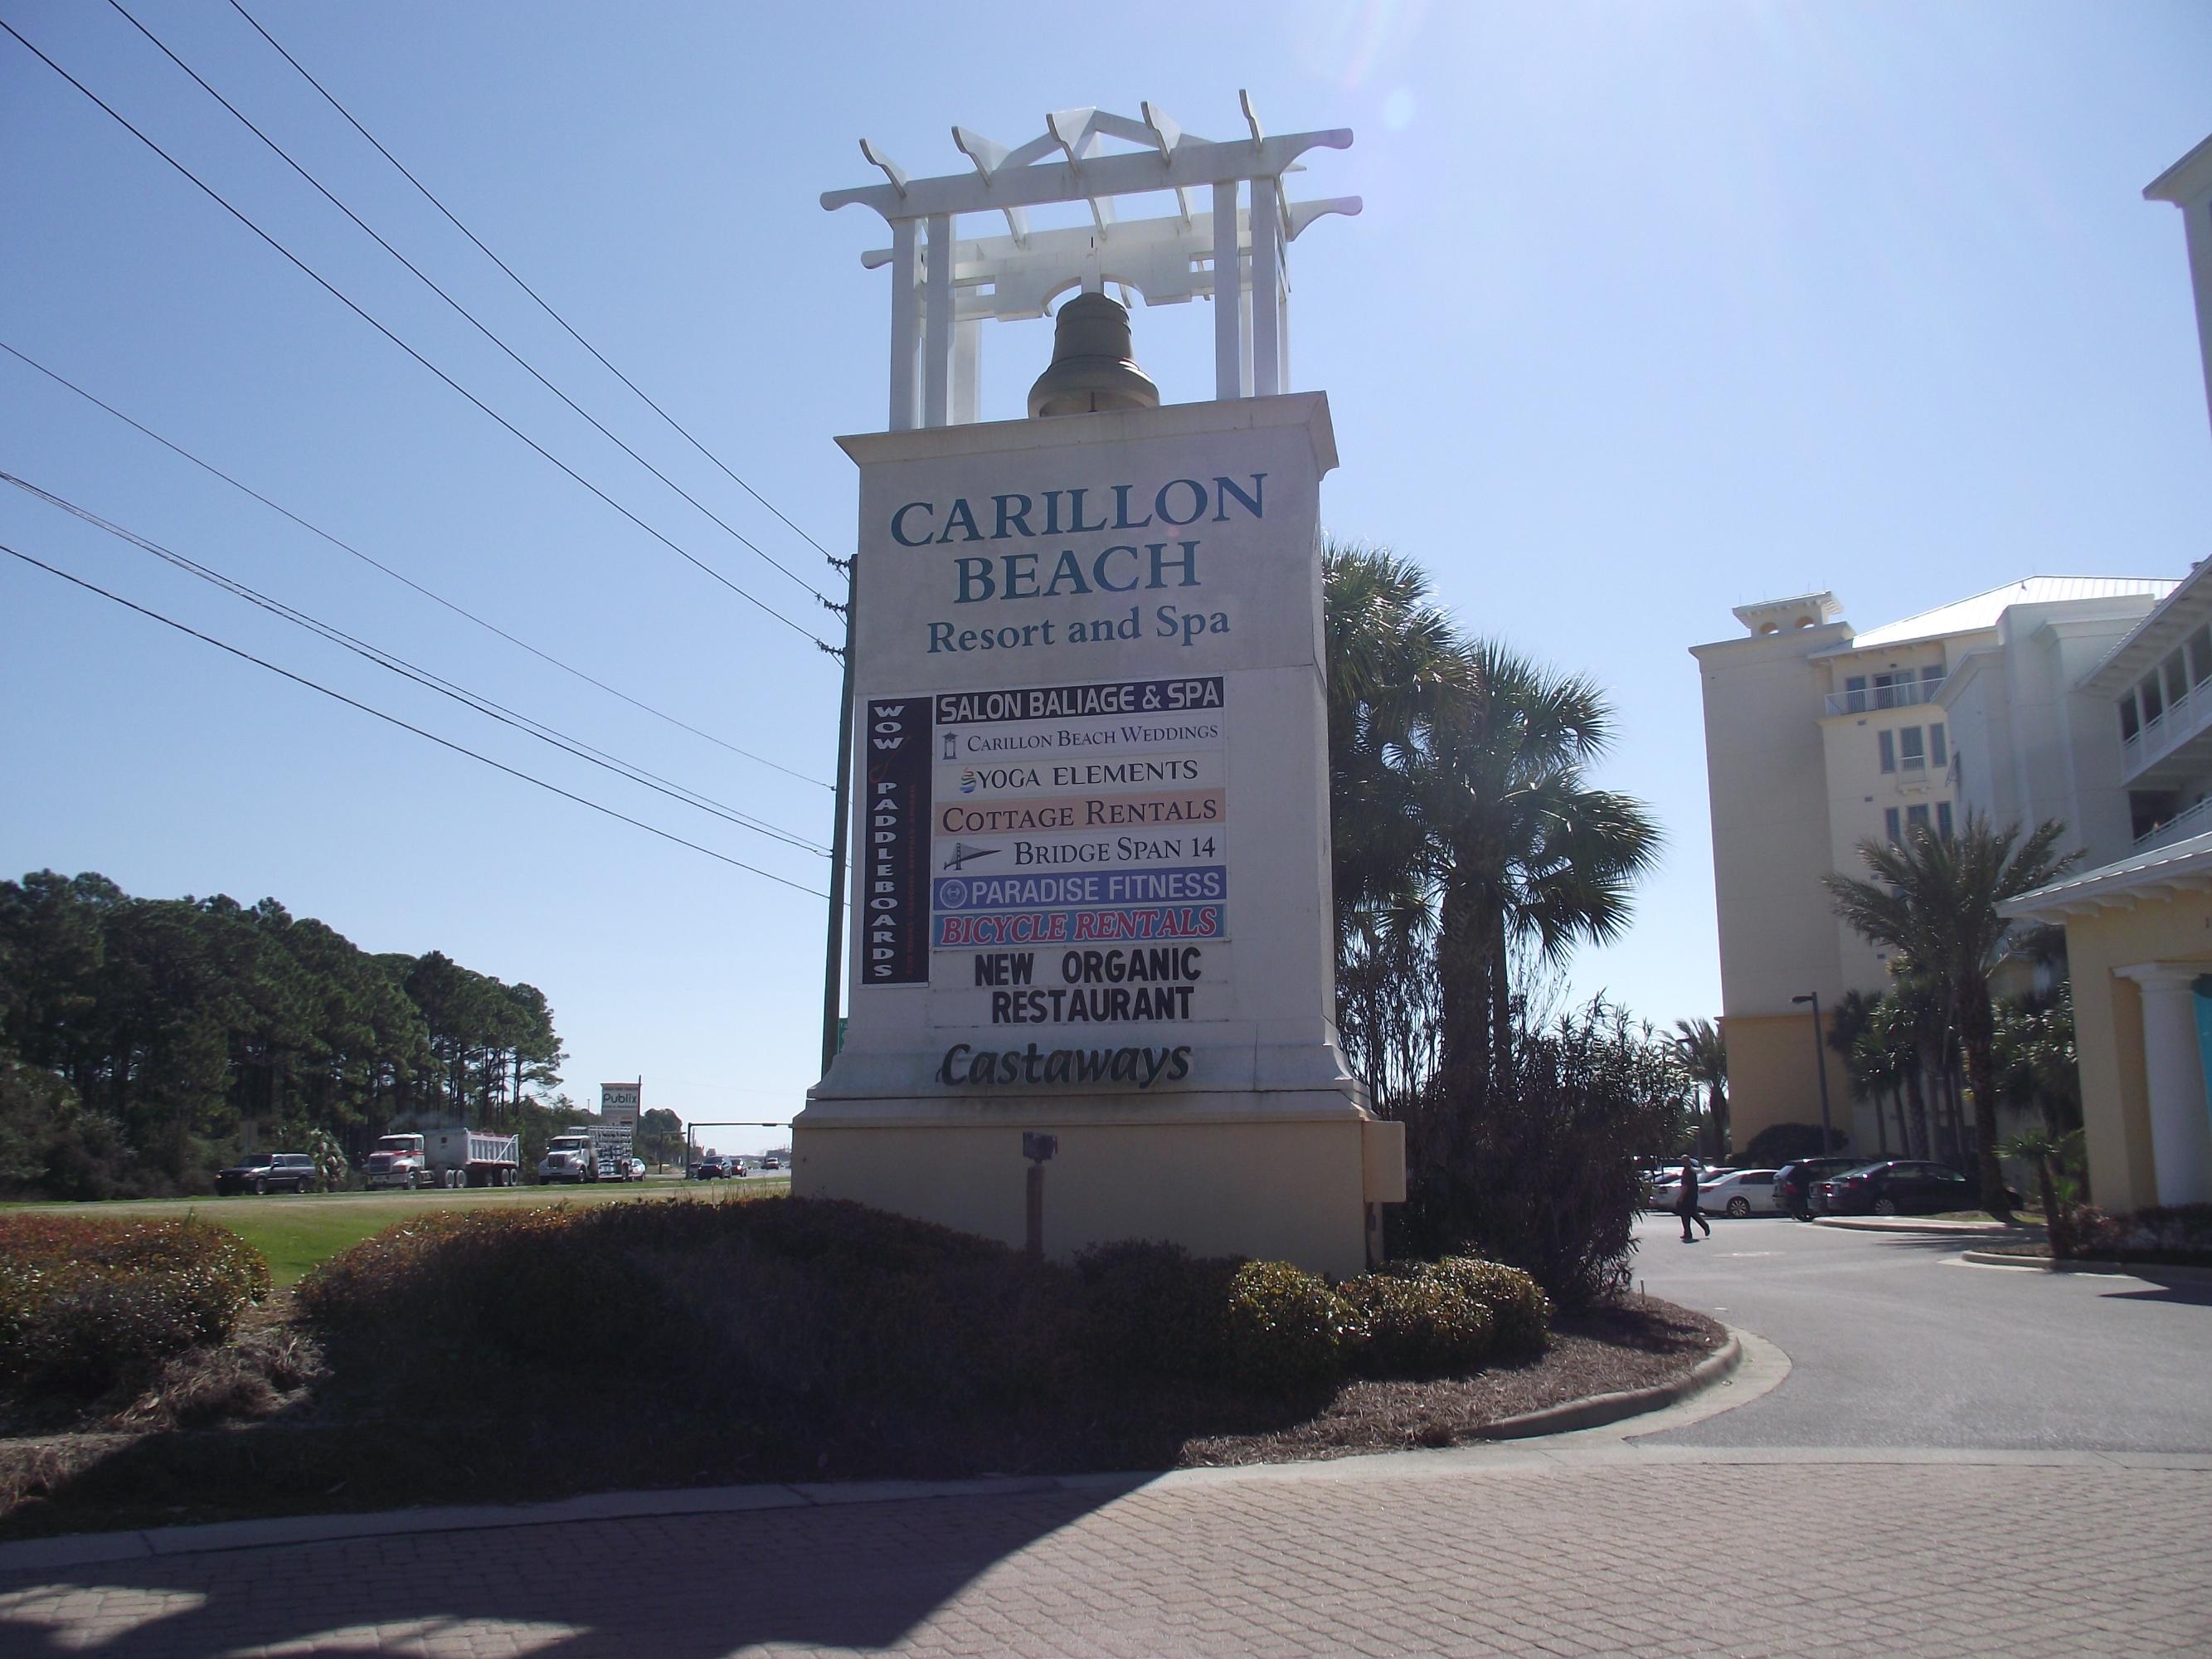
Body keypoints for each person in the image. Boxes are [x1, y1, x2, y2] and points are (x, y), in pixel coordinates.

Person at [1676, 1158, 1711, 1243]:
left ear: (1688, 1161)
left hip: (1688, 1196)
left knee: (1686, 1215)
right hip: (1693, 1196)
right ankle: (1688, 1232)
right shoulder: (1690, 1170)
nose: (1683, 1163)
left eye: (1684, 1161)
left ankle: (1698, 1229)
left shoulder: (1688, 1172)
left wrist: (1681, 1197)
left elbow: (1686, 1186)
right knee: (1691, 1214)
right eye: (1682, 1161)